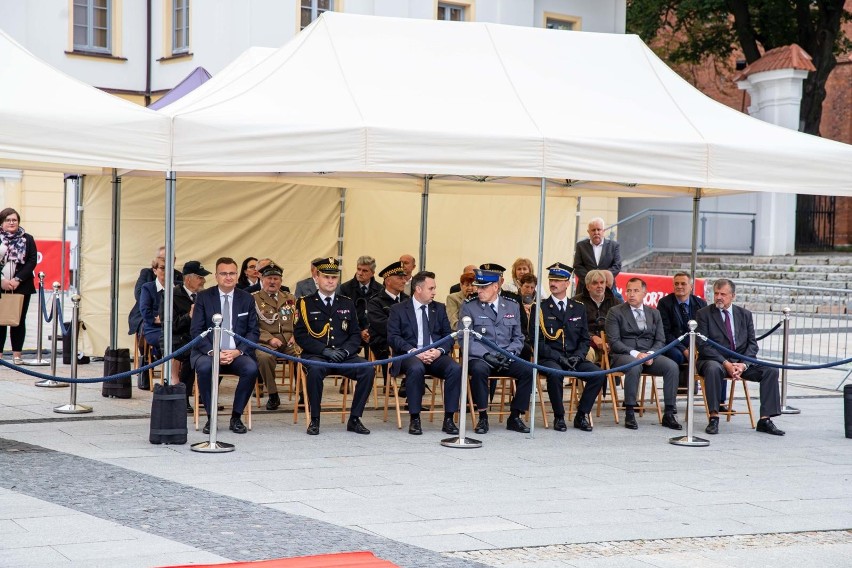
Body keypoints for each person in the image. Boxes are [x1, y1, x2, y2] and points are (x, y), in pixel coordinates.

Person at [293, 257, 374, 436]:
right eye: (326, 277)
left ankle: (355, 418)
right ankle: (314, 419)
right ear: (317, 278)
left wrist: (345, 350)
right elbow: (300, 335)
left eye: (334, 277)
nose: (330, 281)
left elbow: (354, 333)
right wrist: (324, 350)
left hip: (343, 354)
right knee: (314, 371)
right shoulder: (305, 303)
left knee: (367, 370)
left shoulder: (346, 302)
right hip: (317, 355)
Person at [696, 279, 785, 436]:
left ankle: (765, 419)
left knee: (771, 370)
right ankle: (714, 417)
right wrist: (725, 363)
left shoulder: (745, 315)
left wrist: (743, 364)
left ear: (733, 296)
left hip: (740, 363)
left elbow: (752, 345)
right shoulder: (703, 314)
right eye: (716, 293)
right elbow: (703, 345)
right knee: (713, 369)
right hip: (715, 361)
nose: (718, 297)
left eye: (723, 294)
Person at [190, 257, 259, 435]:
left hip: (236, 352)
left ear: (237, 275)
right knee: (205, 367)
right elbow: (196, 330)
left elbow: (253, 332)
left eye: (232, 273)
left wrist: (238, 351)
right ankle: (211, 417)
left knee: (251, 368)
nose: (228, 277)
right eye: (224, 273)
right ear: (216, 276)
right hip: (209, 352)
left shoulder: (247, 299)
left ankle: (236, 417)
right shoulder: (204, 297)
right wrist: (214, 352)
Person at [459, 269, 534, 434]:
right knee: (478, 370)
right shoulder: (469, 306)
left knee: (528, 370)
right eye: (478, 287)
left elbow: (518, 337)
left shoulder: (511, 305)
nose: (478, 290)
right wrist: (485, 354)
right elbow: (465, 338)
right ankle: (483, 416)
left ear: (495, 286)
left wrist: (510, 354)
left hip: (505, 356)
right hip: (481, 357)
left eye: (483, 287)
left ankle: (515, 416)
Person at [387, 271, 461, 435]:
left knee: (455, 369)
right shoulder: (398, 309)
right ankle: (415, 419)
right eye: (431, 288)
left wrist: (438, 351)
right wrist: (414, 351)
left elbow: (448, 337)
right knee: (416, 368)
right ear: (418, 289)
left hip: (435, 354)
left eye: (434, 288)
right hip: (410, 355)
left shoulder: (439, 308)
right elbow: (393, 338)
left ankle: (449, 419)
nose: (434, 292)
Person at [535, 262, 605, 432]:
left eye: (558, 280)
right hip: (552, 358)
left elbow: (583, 338)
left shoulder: (578, 308)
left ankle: (581, 415)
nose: (553, 283)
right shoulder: (541, 308)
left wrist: (578, 356)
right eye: (551, 279)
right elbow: (537, 342)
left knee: (598, 375)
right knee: (555, 373)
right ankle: (559, 416)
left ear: (567, 283)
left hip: (574, 357)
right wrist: (559, 358)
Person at [605, 277, 681, 431]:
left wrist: (651, 354)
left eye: (636, 291)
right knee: (634, 366)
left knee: (672, 366)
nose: (631, 294)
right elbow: (614, 341)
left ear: (644, 293)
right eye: (629, 291)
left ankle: (669, 413)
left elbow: (661, 339)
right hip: (624, 354)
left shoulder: (654, 313)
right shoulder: (615, 312)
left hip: (649, 355)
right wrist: (636, 354)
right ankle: (630, 412)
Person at [159, 260, 210, 412]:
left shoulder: (205, 295)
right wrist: (189, 316)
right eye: (200, 277)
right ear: (188, 279)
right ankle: (184, 397)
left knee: (219, 355)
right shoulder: (171, 296)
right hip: (178, 338)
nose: (204, 280)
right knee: (191, 355)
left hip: (201, 337)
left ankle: (205, 395)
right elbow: (170, 325)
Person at [252, 262, 297, 411]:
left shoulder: (290, 298)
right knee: (264, 357)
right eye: (269, 278)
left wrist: (295, 336)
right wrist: (269, 339)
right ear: (262, 279)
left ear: (281, 281)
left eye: (276, 279)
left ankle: (304, 393)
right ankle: (273, 394)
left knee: (305, 355)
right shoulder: (254, 299)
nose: (272, 282)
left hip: (290, 341)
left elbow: (300, 321)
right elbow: (251, 326)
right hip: (266, 342)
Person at [0, 208, 37, 364]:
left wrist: (18, 279)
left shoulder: (28, 239)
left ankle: (17, 355)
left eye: (14, 220)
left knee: (19, 320)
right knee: (0, 321)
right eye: (8, 220)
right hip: (1, 286)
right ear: (2, 223)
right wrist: (1, 280)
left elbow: (31, 261)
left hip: (21, 286)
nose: (11, 222)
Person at [128, 245, 182, 337]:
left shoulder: (179, 276)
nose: (166, 260)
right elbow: (138, 295)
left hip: (171, 316)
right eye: (163, 258)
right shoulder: (146, 273)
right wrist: (157, 316)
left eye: (170, 258)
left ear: (174, 260)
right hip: (146, 314)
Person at [573, 269, 622, 362]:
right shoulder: (576, 302)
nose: (599, 286)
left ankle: (615, 376)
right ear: (588, 286)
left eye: (602, 282)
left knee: (626, 358)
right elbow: (574, 328)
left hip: (611, 347)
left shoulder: (616, 303)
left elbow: (622, 327)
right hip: (587, 346)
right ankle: (589, 376)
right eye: (595, 283)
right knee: (586, 355)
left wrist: (610, 342)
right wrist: (592, 337)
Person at [367, 261, 409, 363]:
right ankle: (388, 379)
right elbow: (384, 327)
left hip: (407, 341)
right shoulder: (375, 302)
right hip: (384, 343)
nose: (404, 281)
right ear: (388, 281)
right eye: (400, 278)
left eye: (404, 278)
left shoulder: (408, 300)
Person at [339, 255, 382, 353]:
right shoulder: (345, 288)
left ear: (372, 273)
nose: (360, 273)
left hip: (373, 333)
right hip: (350, 332)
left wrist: (368, 331)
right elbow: (342, 315)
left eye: (365, 271)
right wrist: (359, 332)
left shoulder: (380, 290)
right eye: (358, 269)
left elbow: (380, 316)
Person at [572, 217, 621, 296]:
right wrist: (591, 280)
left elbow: (617, 265)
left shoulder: (613, 246)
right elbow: (577, 266)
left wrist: (603, 280)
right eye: (593, 230)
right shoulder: (581, 246)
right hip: (585, 290)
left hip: (607, 289)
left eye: (599, 229)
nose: (596, 232)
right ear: (588, 232)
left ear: (603, 231)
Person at [138, 259, 166, 355]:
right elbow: (145, 310)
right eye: (162, 268)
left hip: (176, 328)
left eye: (169, 268)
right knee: (169, 340)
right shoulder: (148, 287)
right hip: (154, 328)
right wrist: (158, 319)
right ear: (154, 270)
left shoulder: (178, 286)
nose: (166, 271)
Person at [517, 273, 538, 360]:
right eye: (527, 286)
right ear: (521, 286)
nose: (529, 290)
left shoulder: (538, 304)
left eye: (532, 287)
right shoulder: (514, 301)